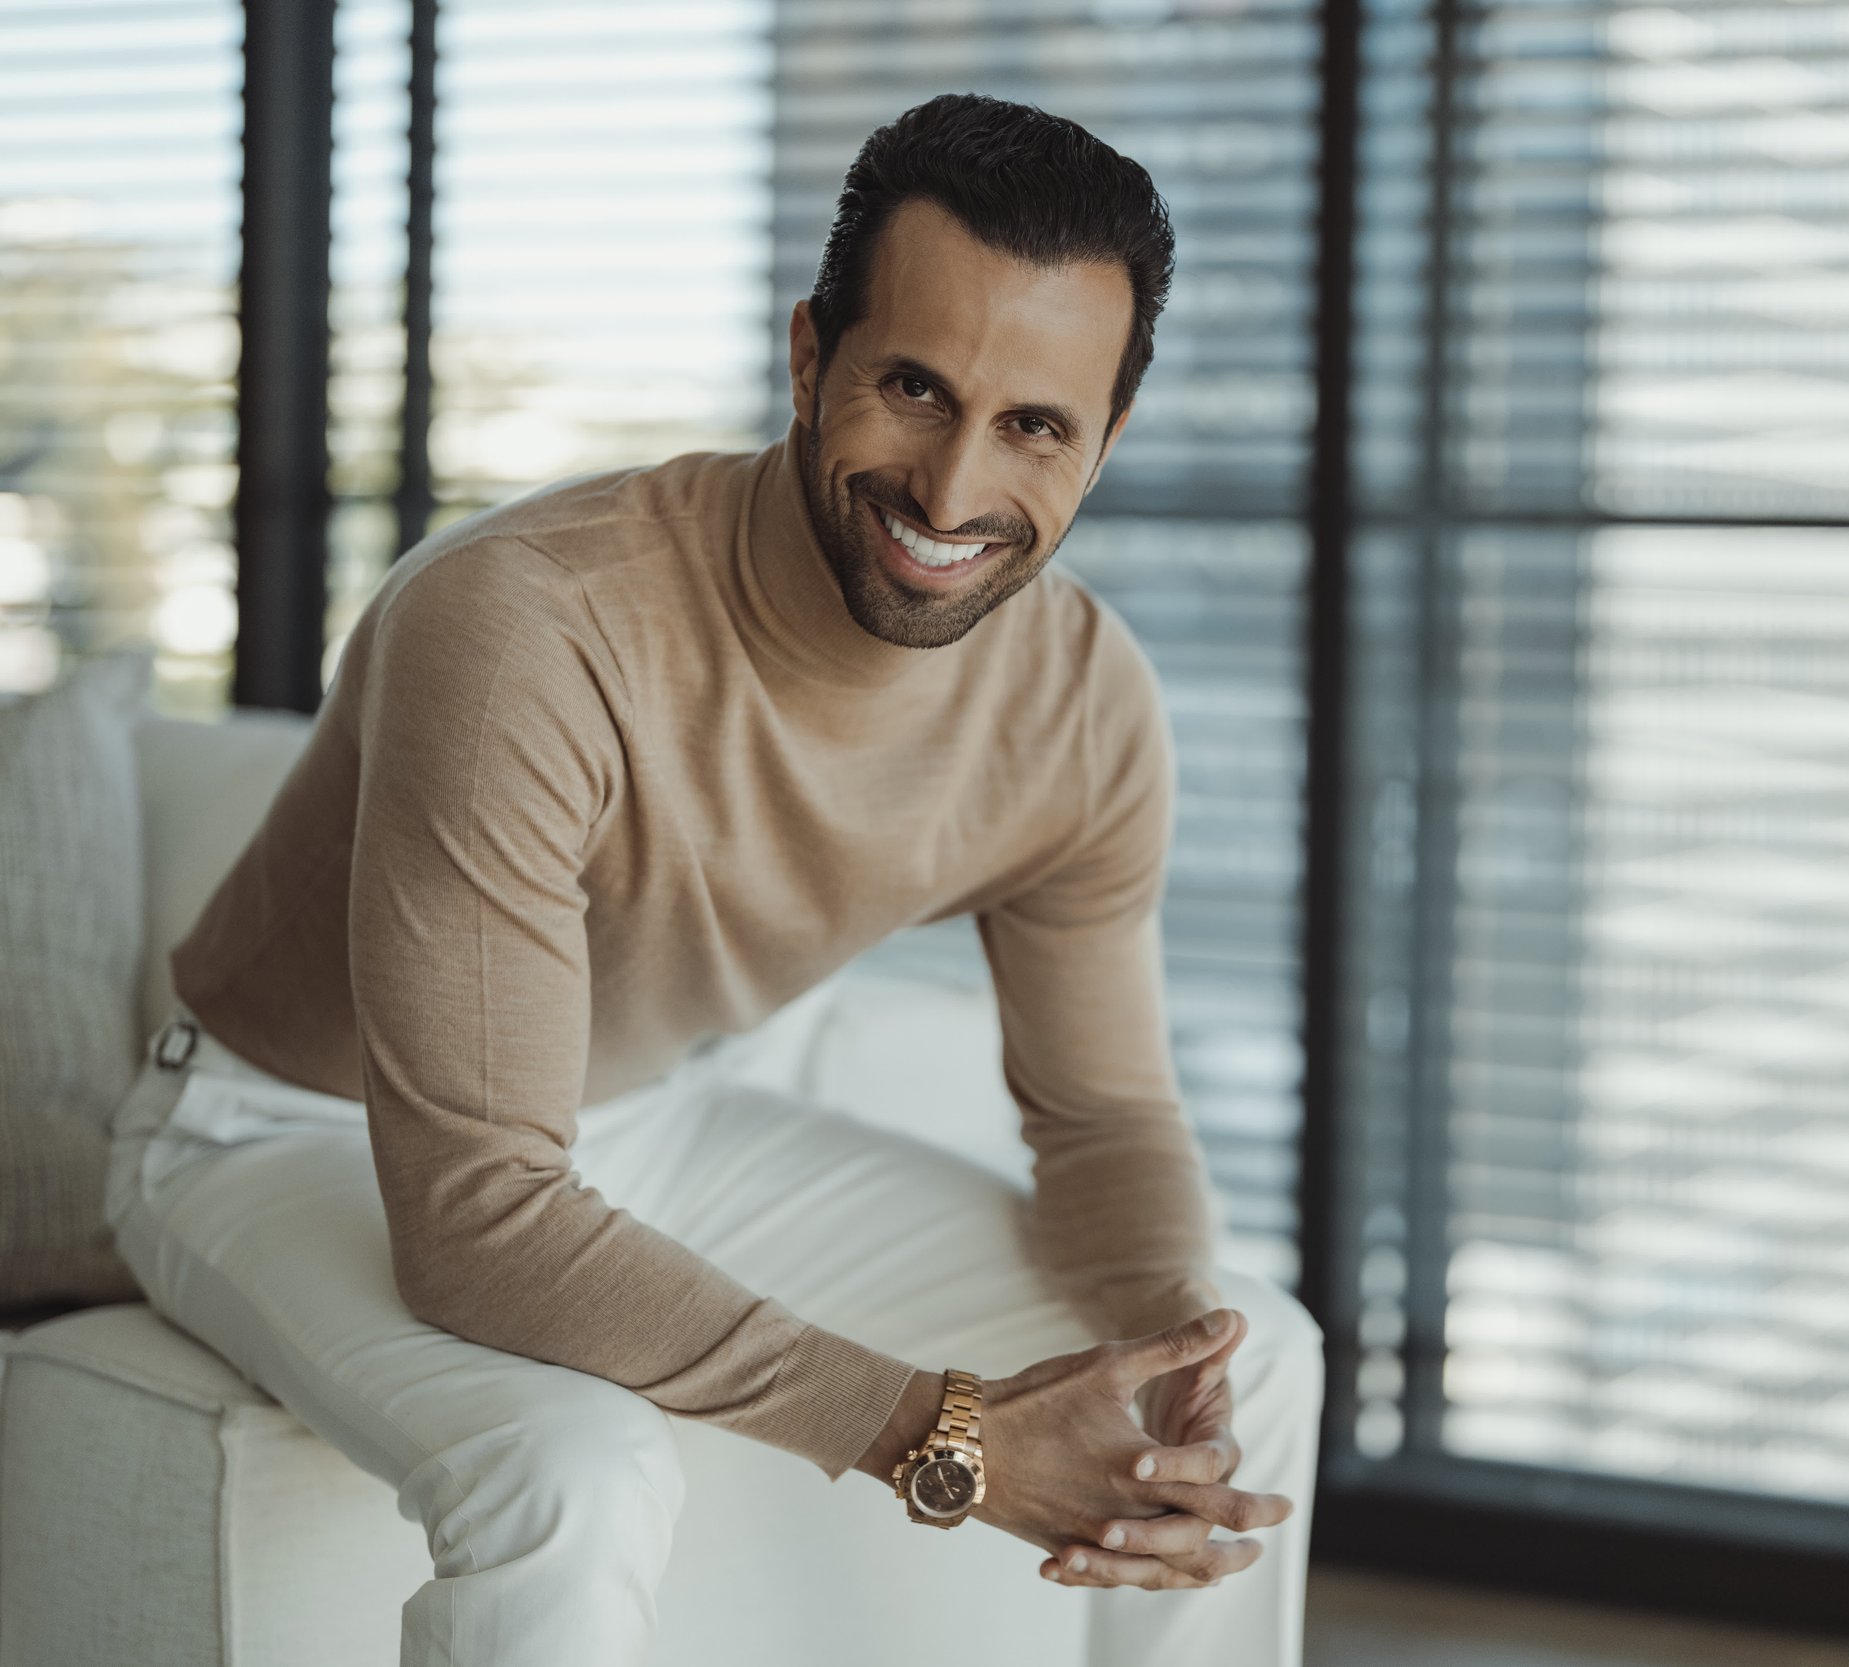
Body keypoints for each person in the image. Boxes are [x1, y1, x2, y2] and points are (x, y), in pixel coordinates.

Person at [104, 92, 1318, 1667]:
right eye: (912, 387)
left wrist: (1170, 1339)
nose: (953, 493)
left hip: (643, 1120)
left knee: (1251, 1354)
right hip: (277, 1135)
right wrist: (938, 1434)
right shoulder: (528, 629)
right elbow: (478, 1219)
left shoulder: (1084, 706)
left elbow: (1100, 1119)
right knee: (573, 1471)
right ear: (811, 357)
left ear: (1105, 440)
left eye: (1034, 426)